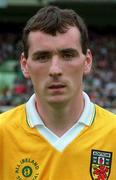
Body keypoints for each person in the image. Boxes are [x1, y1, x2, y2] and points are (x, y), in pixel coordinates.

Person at [0, 6, 116, 180]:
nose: (55, 70)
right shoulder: (3, 134)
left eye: (67, 55)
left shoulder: (113, 133)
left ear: (87, 61)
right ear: (25, 65)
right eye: (42, 57)